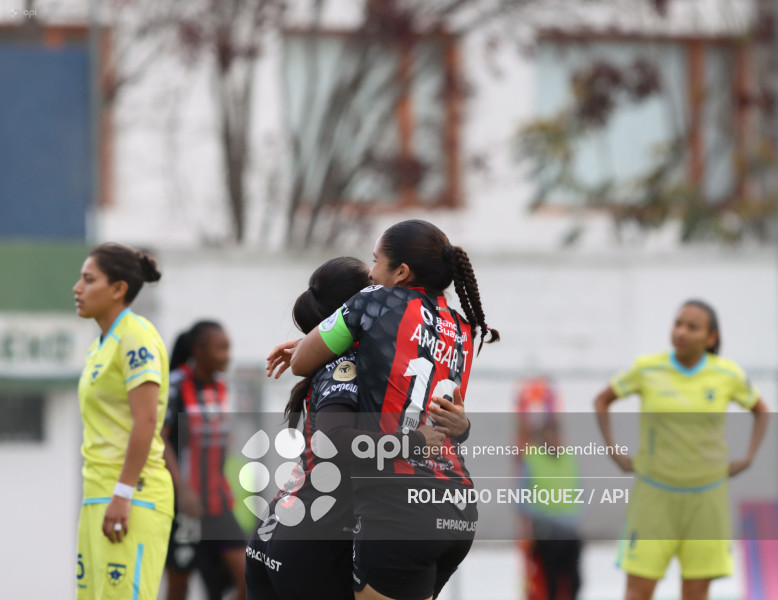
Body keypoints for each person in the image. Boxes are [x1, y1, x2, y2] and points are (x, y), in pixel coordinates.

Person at [270, 219, 500, 600]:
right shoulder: (462, 326)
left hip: (399, 509)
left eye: (375, 261)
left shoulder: (372, 301)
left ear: (401, 272)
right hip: (457, 506)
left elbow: (301, 364)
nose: (371, 273)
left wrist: (309, 343)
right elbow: (439, 410)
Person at [594, 299, 769, 600]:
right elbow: (602, 400)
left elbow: (761, 411)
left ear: (711, 337)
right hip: (654, 496)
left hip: (707, 498)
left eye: (692, 327)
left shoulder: (728, 375)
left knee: (696, 592)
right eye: (678, 324)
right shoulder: (648, 368)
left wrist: (749, 458)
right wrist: (615, 451)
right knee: (638, 590)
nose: (681, 332)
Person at [73, 243, 174, 600]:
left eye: (88, 279)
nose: (77, 288)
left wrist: (123, 492)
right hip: (97, 494)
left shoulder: (136, 335)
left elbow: (146, 420)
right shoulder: (100, 343)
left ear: (118, 289)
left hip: (132, 496)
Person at [162, 321, 246, 600]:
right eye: (221, 348)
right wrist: (183, 489)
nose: (228, 355)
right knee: (178, 587)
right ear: (199, 350)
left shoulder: (222, 388)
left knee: (250, 578)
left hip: (217, 502)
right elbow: (159, 439)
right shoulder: (176, 384)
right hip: (184, 507)